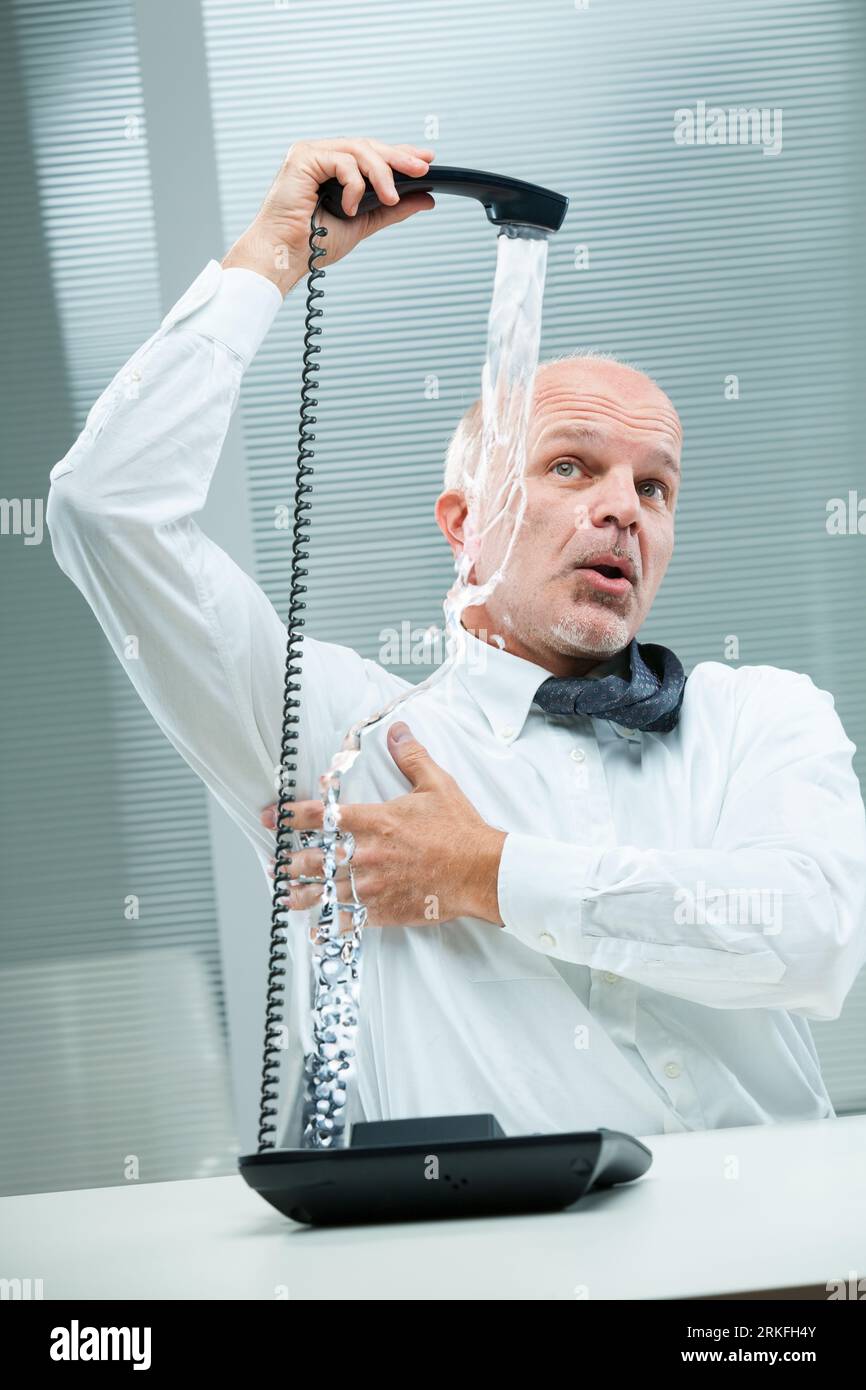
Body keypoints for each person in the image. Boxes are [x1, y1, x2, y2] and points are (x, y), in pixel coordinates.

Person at [46, 137, 866, 1142]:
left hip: (780, 1274)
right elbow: (106, 508)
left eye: (652, 486)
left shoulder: (759, 716)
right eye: (570, 467)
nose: (622, 511)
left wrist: (485, 871)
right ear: (463, 522)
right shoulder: (339, 738)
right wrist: (272, 254)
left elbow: (812, 937)